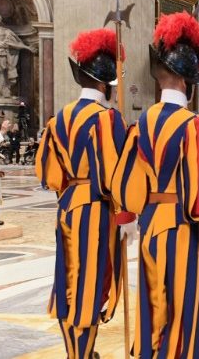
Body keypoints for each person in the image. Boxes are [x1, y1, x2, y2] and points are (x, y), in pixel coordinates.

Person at [111, 12, 199, 358]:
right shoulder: (198, 127)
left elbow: (125, 181)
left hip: (151, 230)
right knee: (187, 314)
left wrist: (126, 218)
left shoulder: (140, 124)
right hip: (185, 233)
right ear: (187, 82)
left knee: (153, 308)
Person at [35, 28, 136, 359]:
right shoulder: (107, 118)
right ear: (105, 85)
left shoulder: (58, 118)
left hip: (66, 205)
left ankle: (75, 351)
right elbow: (116, 176)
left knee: (66, 280)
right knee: (90, 283)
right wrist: (126, 214)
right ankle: (82, 355)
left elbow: (48, 173)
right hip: (95, 209)